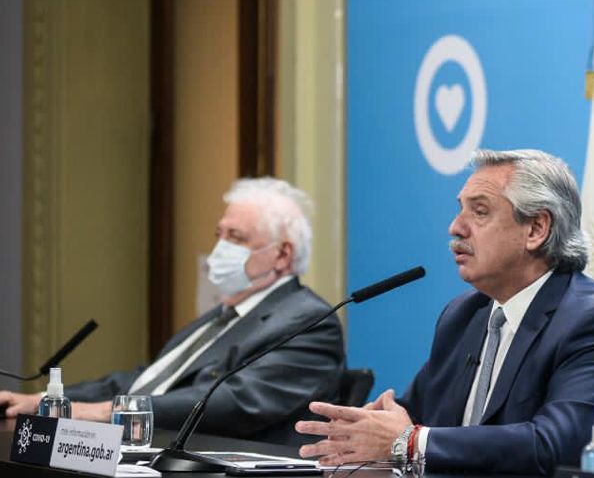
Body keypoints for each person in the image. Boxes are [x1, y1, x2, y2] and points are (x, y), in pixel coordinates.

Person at [297, 149, 594, 475]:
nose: (456, 227)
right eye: (460, 209)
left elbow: (556, 445)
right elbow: (416, 418)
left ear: (536, 228)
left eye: (480, 211)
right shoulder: (464, 315)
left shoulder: (593, 323)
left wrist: (409, 442)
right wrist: (369, 429)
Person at [0, 178, 345, 444]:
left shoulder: (307, 320)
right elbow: (146, 380)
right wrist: (44, 400)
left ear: (283, 254)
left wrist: (105, 413)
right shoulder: (225, 314)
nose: (220, 247)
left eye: (236, 237)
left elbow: (235, 403)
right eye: (219, 235)